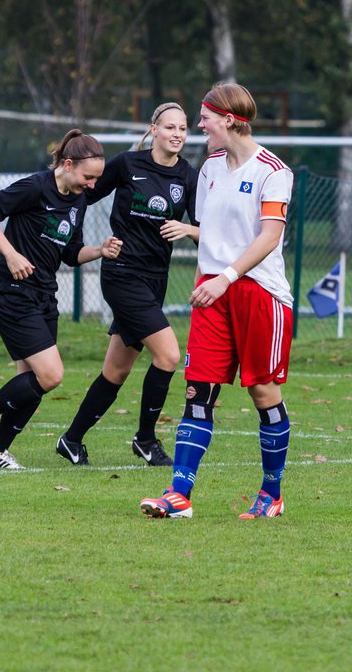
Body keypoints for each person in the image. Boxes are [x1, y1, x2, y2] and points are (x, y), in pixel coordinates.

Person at [139, 82, 294, 520]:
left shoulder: (273, 171)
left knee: (263, 392)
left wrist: (226, 277)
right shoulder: (208, 168)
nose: (199, 126)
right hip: (213, 294)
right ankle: (179, 495)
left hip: (259, 294)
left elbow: (269, 237)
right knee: (197, 392)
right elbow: (210, 232)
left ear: (228, 119)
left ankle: (271, 496)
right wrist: (209, 279)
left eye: (205, 118)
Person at [0, 130, 122, 470]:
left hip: (44, 296)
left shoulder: (78, 200)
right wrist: (10, 254)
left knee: (32, 383)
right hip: (12, 293)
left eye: (97, 178)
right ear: (67, 164)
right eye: (88, 176)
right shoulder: (35, 187)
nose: (93, 185)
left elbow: (69, 253)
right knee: (50, 375)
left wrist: (99, 250)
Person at [54, 103, 199, 467]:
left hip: (155, 280)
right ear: (153, 129)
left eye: (183, 128)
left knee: (116, 371)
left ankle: (71, 440)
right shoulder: (127, 164)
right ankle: (146, 440)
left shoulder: (188, 176)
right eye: (169, 127)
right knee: (167, 355)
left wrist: (188, 229)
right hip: (121, 275)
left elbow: (206, 233)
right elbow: (82, 194)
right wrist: (80, 243)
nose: (177, 134)